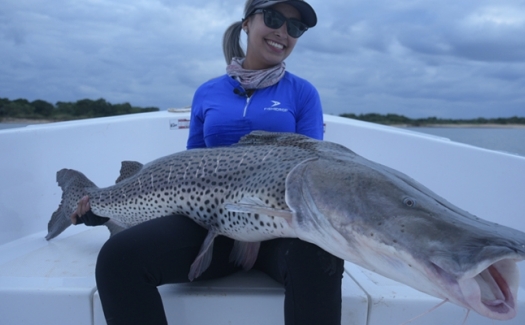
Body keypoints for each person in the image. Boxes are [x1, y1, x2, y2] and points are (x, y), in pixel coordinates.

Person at [72, 0, 344, 324]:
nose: (283, 32)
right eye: (273, 18)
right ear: (246, 23)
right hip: (210, 229)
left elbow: (310, 167)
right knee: (118, 258)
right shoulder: (207, 92)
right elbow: (190, 165)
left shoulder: (303, 94)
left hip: (278, 232)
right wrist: (103, 211)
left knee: (322, 255)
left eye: (295, 27)